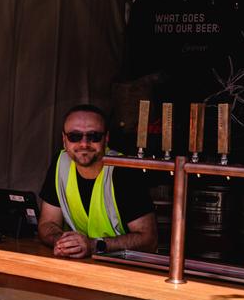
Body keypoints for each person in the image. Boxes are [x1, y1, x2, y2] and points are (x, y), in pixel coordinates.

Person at [38, 104, 157, 257]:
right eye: (74, 136)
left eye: (94, 136)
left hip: (124, 268)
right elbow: (47, 223)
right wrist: (64, 243)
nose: (84, 144)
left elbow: (149, 239)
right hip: (81, 265)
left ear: (106, 138)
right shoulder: (60, 162)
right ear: (64, 139)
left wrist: (94, 245)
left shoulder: (124, 169)